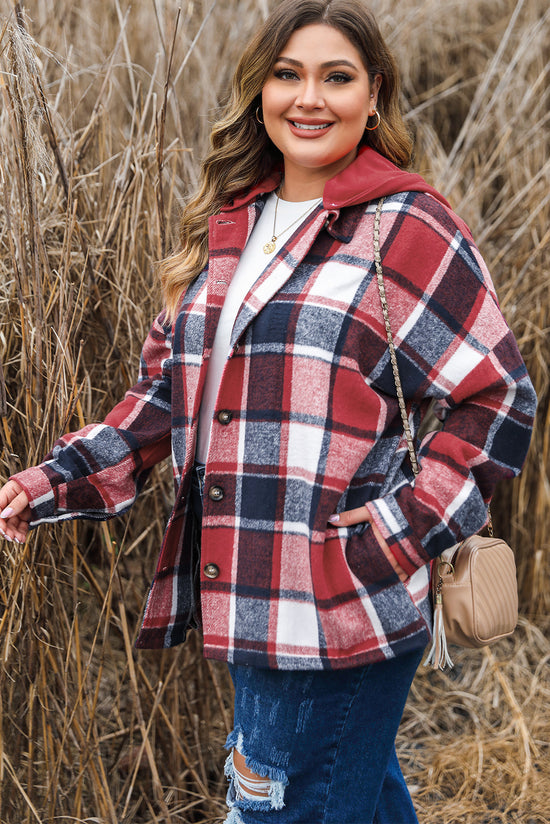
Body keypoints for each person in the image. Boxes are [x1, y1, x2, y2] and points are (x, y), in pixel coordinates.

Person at [0, 1, 537, 821]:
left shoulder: (409, 228)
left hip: (340, 596)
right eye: (288, 74)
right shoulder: (229, 225)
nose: (309, 98)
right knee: (340, 794)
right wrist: (53, 480)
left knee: (281, 806)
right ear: (260, 91)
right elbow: (168, 397)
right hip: (250, 588)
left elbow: (496, 396)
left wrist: (400, 529)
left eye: (337, 77)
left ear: (375, 94)